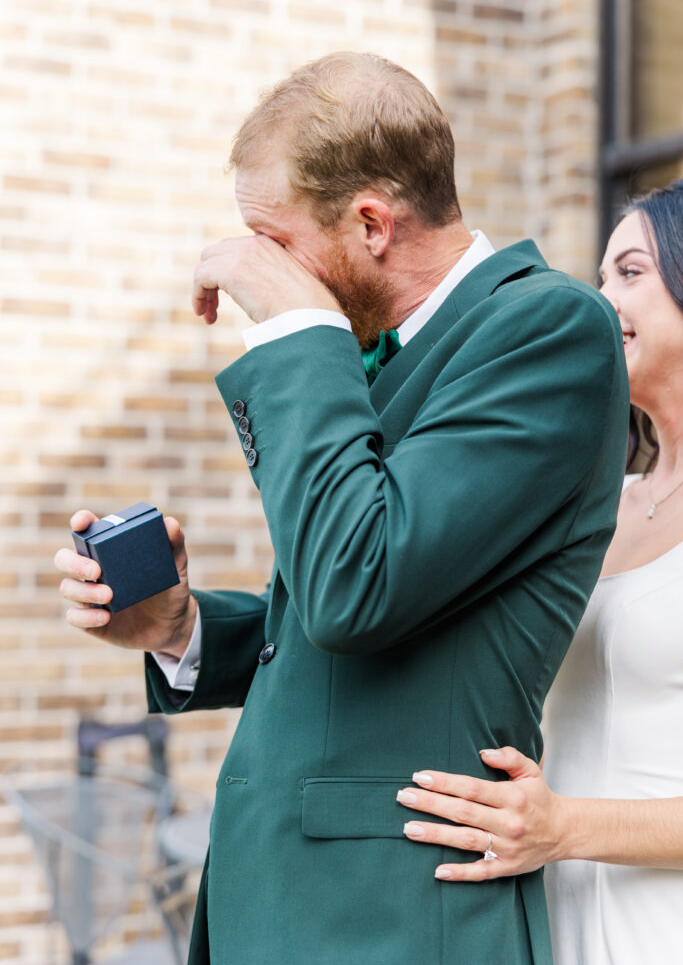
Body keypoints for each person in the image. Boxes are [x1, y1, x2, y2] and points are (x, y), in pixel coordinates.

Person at [54, 52, 630, 965]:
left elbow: (357, 585)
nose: (254, 273)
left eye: (272, 244)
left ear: (369, 222)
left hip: (396, 917)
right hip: (280, 904)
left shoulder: (547, 330)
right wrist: (182, 626)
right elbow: (354, 611)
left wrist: (296, 330)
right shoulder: (374, 348)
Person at [396, 179, 683, 964]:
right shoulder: (600, 502)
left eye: (628, 273)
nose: (598, 301)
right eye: (595, 279)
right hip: (550, 919)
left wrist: (565, 827)